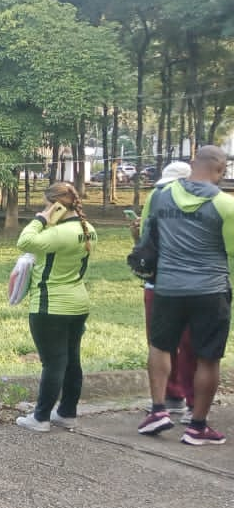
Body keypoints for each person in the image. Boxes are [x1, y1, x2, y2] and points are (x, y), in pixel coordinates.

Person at [136, 145, 234, 445]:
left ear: (193, 164)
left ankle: (158, 411)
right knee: (208, 358)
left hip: (167, 287)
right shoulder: (225, 205)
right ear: (221, 170)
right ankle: (198, 426)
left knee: (160, 346)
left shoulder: (159, 196)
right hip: (211, 291)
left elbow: (145, 238)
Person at [12, 182, 96, 433]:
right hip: (78, 302)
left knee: (53, 363)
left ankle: (40, 417)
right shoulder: (88, 229)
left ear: (56, 205)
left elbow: (25, 241)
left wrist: (40, 218)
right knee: (72, 360)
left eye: (46, 204)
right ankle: (67, 413)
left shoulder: (59, 234)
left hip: (51, 305)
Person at [130, 161, 197, 422]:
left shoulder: (203, 207)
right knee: (160, 344)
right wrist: (137, 238)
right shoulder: (156, 200)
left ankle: (192, 401)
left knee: (190, 344)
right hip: (157, 284)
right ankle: (170, 397)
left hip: (189, 286)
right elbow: (147, 249)